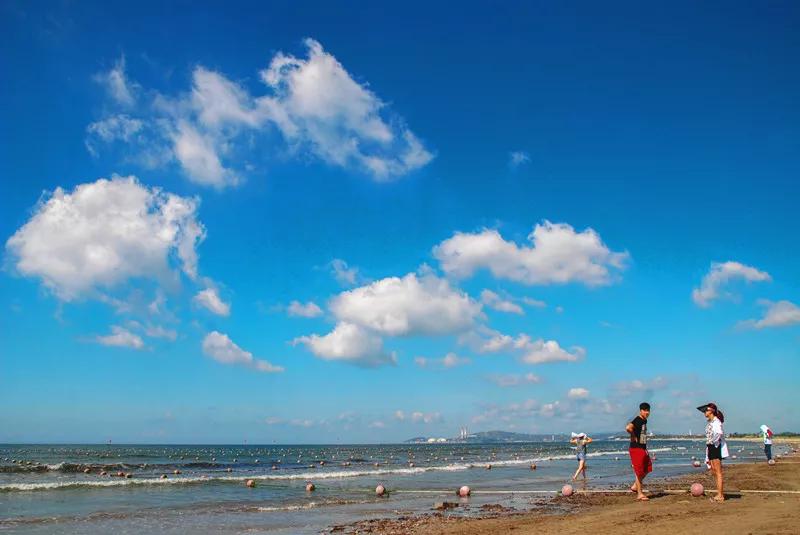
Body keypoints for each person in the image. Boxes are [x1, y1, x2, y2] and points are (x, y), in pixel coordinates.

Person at [698, 402, 728, 502]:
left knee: (718, 472)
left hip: (715, 447)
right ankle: (719, 493)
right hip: (711, 447)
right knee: (714, 471)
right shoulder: (710, 422)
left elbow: (719, 433)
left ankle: (721, 495)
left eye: (706, 410)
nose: (704, 412)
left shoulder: (716, 422)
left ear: (711, 411)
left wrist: (713, 442)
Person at [626, 402, 652, 501]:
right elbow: (628, 427)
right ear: (640, 411)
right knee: (639, 471)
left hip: (642, 447)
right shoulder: (638, 419)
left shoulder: (644, 420)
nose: (647, 412)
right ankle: (640, 494)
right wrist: (632, 435)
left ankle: (635, 486)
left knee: (648, 468)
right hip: (636, 448)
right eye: (645, 410)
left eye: (648, 410)